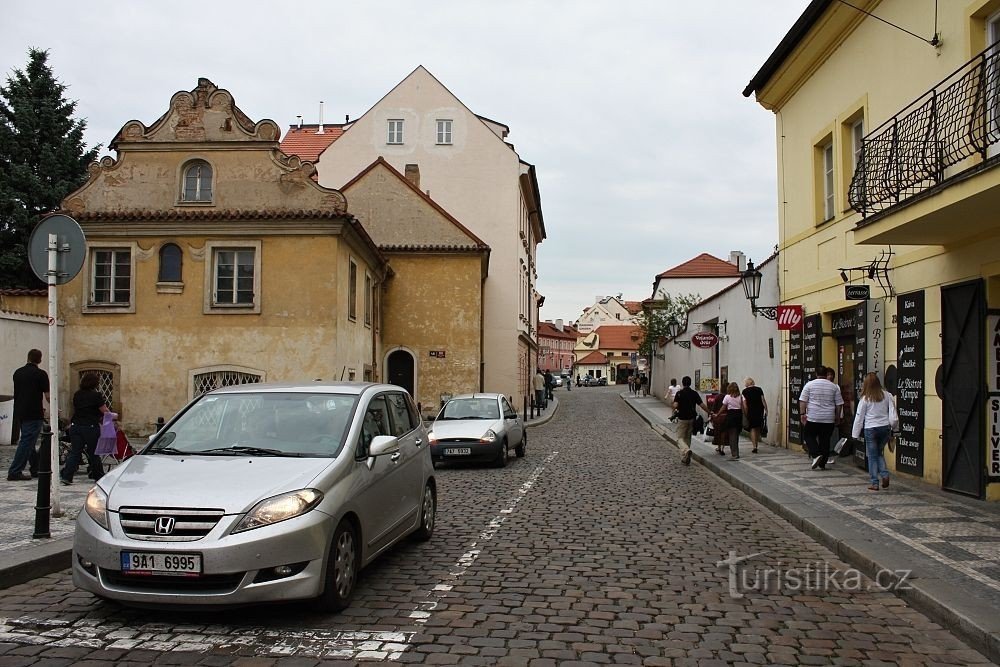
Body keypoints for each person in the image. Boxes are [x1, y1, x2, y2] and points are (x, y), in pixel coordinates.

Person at [60, 372, 111, 485]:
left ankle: (67, 476)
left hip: (76, 425)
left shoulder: (77, 394)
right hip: (90, 426)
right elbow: (104, 411)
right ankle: (98, 475)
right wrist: (113, 416)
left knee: (75, 452)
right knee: (93, 452)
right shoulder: (96, 395)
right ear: (95, 383)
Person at [852, 372, 898, 491]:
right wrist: (894, 429)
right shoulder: (887, 395)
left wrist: (855, 434)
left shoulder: (865, 398)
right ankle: (885, 475)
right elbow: (893, 413)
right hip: (885, 428)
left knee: (872, 456)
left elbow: (859, 417)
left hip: (870, 429)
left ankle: (874, 482)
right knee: (879, 453)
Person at [8, 349, 50, 481]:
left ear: (28, 358)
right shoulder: (41, 374)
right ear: (40, 359)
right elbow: (48, 396)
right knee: (27, 441)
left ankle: (35, 468)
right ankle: (15, 471)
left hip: (20, 411)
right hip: (34, 412)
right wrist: (55, 408)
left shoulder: (18, 373)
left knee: (29, 441)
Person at [799, 365, 844, 470]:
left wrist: (802, 414)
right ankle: (822, 463)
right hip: (828, 418)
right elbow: (839, 404)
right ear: (826, 374)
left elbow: (803, 401)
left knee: (808, 435)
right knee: (825, 440)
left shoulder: (809, 385)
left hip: (813, 417)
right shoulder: (833, 386)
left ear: (816, 374)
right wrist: (837, 416)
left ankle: (815, 454)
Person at [672, 376, 710, 466]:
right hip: (692, 418)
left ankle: (686, 450)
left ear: (682, 383)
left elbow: (675, 405)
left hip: (682, 418)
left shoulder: (679, 393)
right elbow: (701, 405)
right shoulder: (694, 393)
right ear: (690, 383)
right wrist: (709, 412)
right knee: (688, 437)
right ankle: (685, 458)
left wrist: (674, 405)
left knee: (679, 438)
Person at [742, 377, 768, 454]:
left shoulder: (744, 391)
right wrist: (766, 409)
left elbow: (745, 404)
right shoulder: (759, 389)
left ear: (747, 384)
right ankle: (756, 443)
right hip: (759, 410)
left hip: (751, 411)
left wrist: (746, 413)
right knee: (757, 427)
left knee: (752, 428)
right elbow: (763, 400)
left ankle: (754, 446)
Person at [721, 382, 744, 460]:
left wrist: (718, 414)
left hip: (731, 416)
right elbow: (744, 407)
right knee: (736, 435)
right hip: (739, 415)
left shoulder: (727, 397)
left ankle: (734, 454)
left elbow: (724, 407)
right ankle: (736, 452)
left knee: (732, 436)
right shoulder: (741, 397)